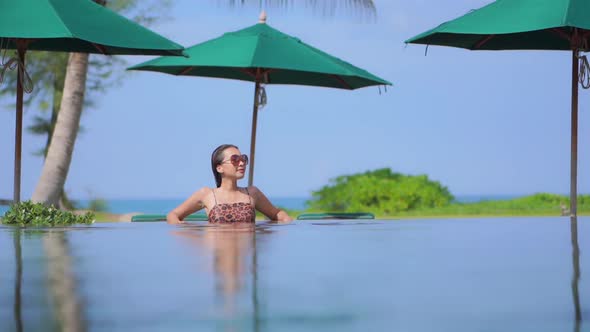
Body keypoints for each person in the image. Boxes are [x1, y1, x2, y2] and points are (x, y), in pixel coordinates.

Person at [167, 144, 293, 224]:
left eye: (243, 159)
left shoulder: (252, 193)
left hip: (244, 257)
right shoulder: (206, 194)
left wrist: (287, 222)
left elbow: (277, 214)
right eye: (235, 160)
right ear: (219, 168)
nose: (242, 163)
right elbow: (173, 215)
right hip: (218, 258)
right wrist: (183, 230)